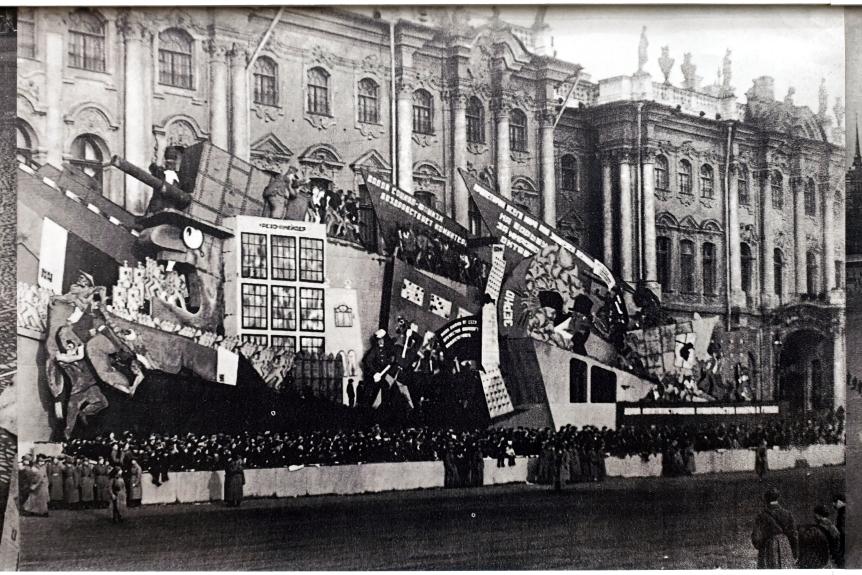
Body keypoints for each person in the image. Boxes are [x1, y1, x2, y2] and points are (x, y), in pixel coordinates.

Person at [751, 487, 798, 568]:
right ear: (777, 498)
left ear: (766, 499)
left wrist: (761, 548)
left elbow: (756, 537)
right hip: (785, 547)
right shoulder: (787, 514)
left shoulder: (761, 515)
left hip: (768, 547)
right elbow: (794, 535)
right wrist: (795, 553)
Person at [833, 494, 846, 567]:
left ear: (841, 501)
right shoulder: (842, 511)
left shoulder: (843, 512)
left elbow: (842, 529)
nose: (833, 504)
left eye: (835, 501)